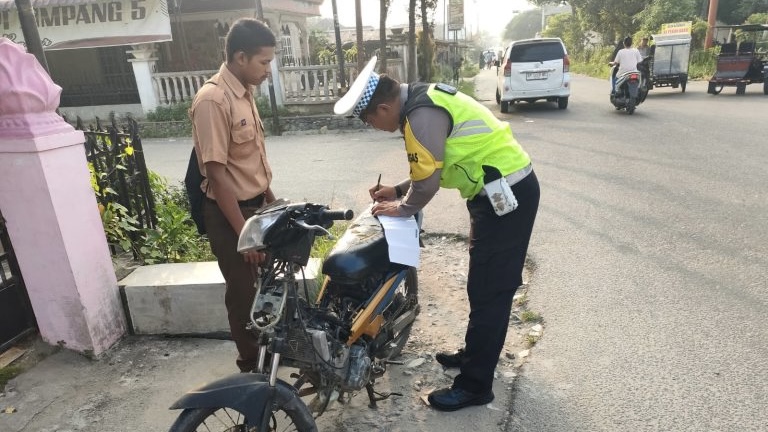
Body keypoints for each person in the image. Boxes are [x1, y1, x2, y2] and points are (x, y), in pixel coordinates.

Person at [333, 57, 540, 412]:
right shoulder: (421, 99)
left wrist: (402, 208)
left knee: (491, 290)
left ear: (384, 107)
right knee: (482, 283)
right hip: (494, 194)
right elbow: (433, 164)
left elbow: (427, 183)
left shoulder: (419, 115)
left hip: (506, 198)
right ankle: (475, 355)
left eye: (371, 121)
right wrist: (398, 190)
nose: (375, 127)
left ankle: (476, 386)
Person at [190, 18, 277, 373]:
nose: (268, 70)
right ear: (240, 57)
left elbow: (250, 159)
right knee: (243, 297)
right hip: (231, 217)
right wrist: (246, 236)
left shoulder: (245, 91)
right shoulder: (213, 99)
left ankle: (269, 356)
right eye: (264, 62)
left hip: (256, 208)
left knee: (267, 289)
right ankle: (251, 372)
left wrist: (272, 200)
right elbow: (217, 174)